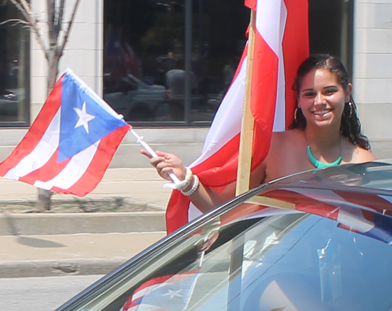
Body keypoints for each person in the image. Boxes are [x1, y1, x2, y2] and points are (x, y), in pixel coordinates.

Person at [144, 54, 376, 213]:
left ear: (347, 93)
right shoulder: (273, 147)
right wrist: (184, 178)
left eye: (329, 91)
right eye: (309, 94)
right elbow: (226, 209)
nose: (319, 101)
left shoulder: (365, 162)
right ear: (298, 99)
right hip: (279, 272)